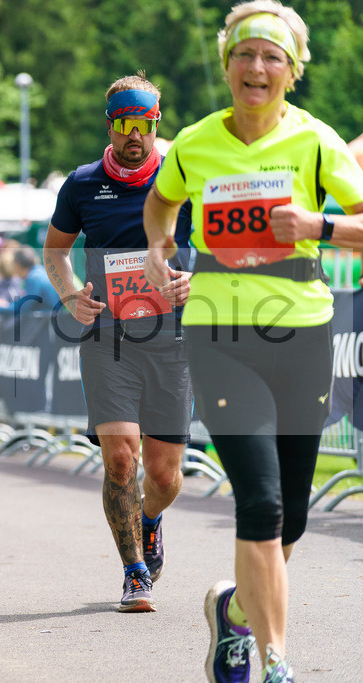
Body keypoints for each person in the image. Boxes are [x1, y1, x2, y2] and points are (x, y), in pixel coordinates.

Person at [143, 3, 363, 680]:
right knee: (260, 502)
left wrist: (315, 225)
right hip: (221, 335)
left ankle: (235, 611)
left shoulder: (317, 142)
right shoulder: (194, 142)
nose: (257, 68)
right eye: (245, 54)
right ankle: (274, 660)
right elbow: (162, 198)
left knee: (289, 518)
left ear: (292, 72)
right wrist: (158, 247)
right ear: (226, 64)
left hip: (301, 334)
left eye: (272, 57)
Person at [43, 73, 194, 614]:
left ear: (157, 124)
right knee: (121, 459)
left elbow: (221, 250)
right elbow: (54, 252)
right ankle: (134, 573)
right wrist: (68, 297)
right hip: (107, 338)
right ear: (111, 126)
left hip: (171, 341)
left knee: (164, 473)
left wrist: (192, 281)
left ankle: (149, 520)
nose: (136, 136)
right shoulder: (82, 184)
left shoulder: (184, 180)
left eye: (145, 125)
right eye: (125, 125)